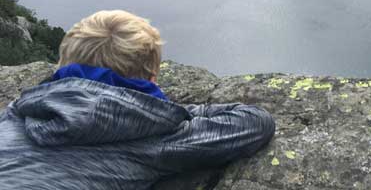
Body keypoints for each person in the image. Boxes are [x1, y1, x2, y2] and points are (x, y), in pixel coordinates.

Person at [0, 10, 275, 190]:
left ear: (63, 63)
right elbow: (255, 122)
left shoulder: (18, 111)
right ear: (152, 77)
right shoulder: (153, 135)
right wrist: (171, 112)